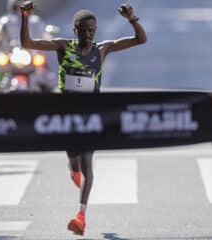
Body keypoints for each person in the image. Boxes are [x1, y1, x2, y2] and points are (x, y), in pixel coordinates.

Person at [20, 3, 147, 236]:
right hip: (67, 117)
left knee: (88, 166)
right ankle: (74, 172)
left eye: (92, 30)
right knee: (75, 163)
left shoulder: (102, 50)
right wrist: (25, 18)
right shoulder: (63, 47)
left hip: (90, 117)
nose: (88, 35)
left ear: (96, 30)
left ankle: (81, 216)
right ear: (74, 29)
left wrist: (132, 19)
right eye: (83, 30)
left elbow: (141, 39)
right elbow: (28, 44)